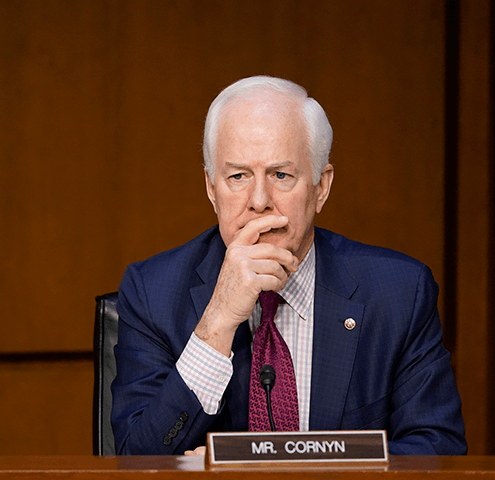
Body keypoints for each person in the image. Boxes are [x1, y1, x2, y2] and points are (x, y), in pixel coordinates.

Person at [110, 75, 466, 456]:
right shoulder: (152, 292)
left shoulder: (399, 293)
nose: (259, 200)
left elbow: (438, 452)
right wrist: (218, 321)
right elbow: (137, 461)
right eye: (237, 176)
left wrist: (284, 466)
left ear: (320, 187)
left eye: (281, 175)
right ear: (212, 188)